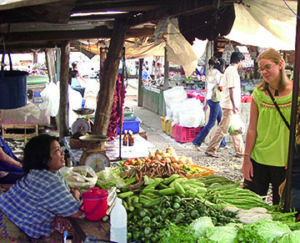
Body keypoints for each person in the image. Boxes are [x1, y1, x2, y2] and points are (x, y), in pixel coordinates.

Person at [0, 134, 82, 241]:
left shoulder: (41, 173)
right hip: (10, 229)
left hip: (7, 215)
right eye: (57, 150)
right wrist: (76, 195)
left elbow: (57, 201)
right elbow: (76, 212)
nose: (62, 153)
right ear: (44, 159)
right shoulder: (49, 182)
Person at [242, 48, 293, 205]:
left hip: (285, 162)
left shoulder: (296, 91)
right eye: (261, 69)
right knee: (251, 207)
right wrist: (246, 159)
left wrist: (295, 158)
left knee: (284, 211)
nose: (264, 72)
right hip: (259, 160)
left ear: (280, 64)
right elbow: (252, 128)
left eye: (268, 66)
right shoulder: (259, 93)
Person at [205, 52, 245, 158]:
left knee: (234, 128)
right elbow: (231, 89)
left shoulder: (229, 70)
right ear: (239, 61)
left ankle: (240, 151)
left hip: (229, 104)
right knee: (223, 128)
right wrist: (234, 104)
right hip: (229, 105)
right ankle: (211, 149)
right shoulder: (231, 71)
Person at [192, 58, 226, 151]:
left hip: (209, 98)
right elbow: (221, 87)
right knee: (211, 123)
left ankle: (222, 143)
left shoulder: (210, 72)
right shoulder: (220, 75)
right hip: (215, 99)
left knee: (221, 120)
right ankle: (197, 142)